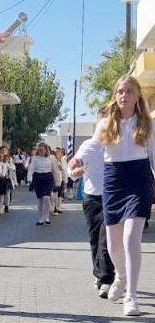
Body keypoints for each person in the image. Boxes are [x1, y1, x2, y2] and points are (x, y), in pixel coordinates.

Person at [91, 75, 154, 316]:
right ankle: (121, 276)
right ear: (115, 96)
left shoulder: (147, 124)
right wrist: (76, 162)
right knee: (114, 245)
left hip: (139, 181)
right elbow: (92, 147)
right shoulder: (106, 123)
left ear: (137, 96)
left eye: (128, 91)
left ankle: (132, 297)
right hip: (113, 181)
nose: (123, 95)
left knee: (130, 240)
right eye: (120, 91)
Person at [68, 107, 115, 299]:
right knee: (95, 238)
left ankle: (106, 279)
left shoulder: (118, 145)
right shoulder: (89, 145)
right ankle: (99, 273)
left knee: (107, 237)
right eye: (101, 122)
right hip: (91, 198)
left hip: (113, 198)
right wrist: (74, 172)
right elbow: (72, 167)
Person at [27, 143, 57, 226]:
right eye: (39, 150)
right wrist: (29, 179)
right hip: (38, 178)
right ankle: (40, 216)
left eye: (42, 150)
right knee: (40, 199)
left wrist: (57, 181)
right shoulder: (35, 158)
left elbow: (55, 170)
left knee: (47, 198)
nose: (40, 151)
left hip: (48, 178)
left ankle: (45, 217)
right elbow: (31, 169)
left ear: (46, 150)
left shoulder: (51, 158)